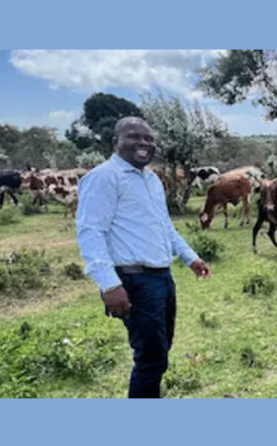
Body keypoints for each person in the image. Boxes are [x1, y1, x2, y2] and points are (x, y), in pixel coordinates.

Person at [76, 116, 211, 398]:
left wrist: (190, 258)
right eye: (134, 136)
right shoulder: (103, 177)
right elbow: (91, 233)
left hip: (162, 277)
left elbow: (164, 226)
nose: (143, 143)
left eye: (149, 139)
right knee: (150, 359)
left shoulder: (151, 180)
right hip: (134, 279)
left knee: (160, 351)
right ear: (116, 142)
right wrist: (109, 285)